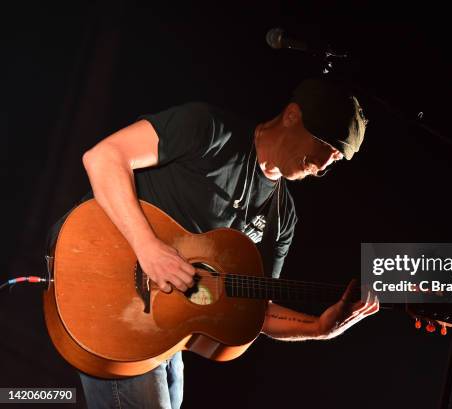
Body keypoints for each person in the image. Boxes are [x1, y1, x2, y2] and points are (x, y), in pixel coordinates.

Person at [49, 78, 378, 409]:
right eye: (322, 146)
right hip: (105, 279)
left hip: (160, 333)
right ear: (292, 116)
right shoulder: (209, 129)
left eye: (334, 160)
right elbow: (104, 157)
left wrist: (318, 328)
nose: (321, 165)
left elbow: (256, 310)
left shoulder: (283, 218)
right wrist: (147, 247)